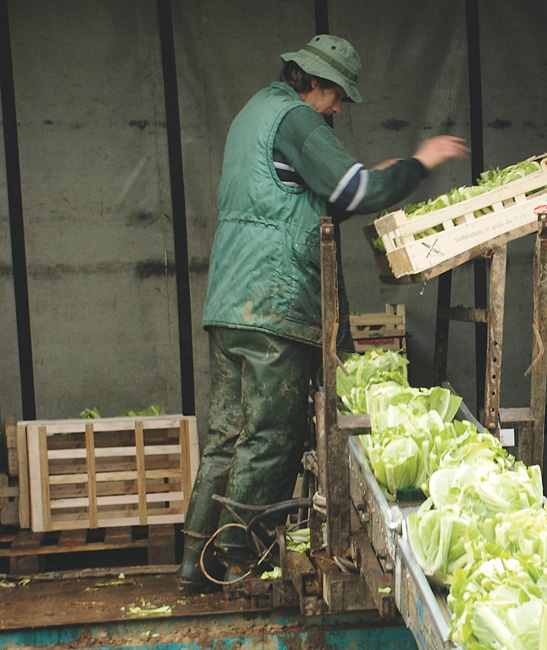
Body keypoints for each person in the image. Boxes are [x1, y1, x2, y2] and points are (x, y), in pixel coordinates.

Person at [176, 34, 468, 589]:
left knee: (227, 433)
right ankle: (236, 560)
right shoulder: (297, 120)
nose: (338, 110)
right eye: (337, 97)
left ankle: (194, 560)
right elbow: (356, 192)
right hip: (275, 303)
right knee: (272, 434)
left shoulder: (252, 115)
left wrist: (357, 182)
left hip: (233, 300)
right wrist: (419, 162)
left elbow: (302, 196)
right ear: (311, 82)